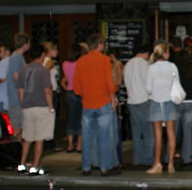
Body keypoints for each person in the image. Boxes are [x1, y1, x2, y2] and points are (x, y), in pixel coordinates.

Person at [73, 33, 120, 177]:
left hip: (87, 104)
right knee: (105, 137)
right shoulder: (105, 60)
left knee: (87, 137)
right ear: (99, 44)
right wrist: (113, 96)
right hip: (103, 103)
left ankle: (86, 167)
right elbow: (109, 83)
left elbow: (76, 87)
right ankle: (105, 167)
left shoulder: (81, 61)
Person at [15, 42, 54, 176]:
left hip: (27, 107)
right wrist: (51, 107)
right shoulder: (43, 70)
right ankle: (35, 166)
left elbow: (20, 91)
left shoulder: (23, 70)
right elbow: (47, 90)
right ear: (42, 55)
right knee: (39, 138)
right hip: (41, 106)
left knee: (27, 137)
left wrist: (23, 105)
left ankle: (21, 164)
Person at [146, 43, 179, 174]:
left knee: (158, 136)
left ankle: (157, 163)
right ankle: (170, 164)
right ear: (165, 54)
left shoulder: (151, 68)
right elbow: (177, 83)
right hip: (170, 102)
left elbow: (148, 88)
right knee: (171, 133)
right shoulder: (172, 66)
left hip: (155, 102)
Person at [123, 43, 153, 166]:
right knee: (148, 133)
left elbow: (125, 83)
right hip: (144, 101)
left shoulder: (128, 64)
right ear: (146, 53)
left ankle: (137, 159)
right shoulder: (145, 65)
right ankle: (149, 159)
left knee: (136, 133)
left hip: (131, 101)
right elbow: (149, 84)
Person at [176, 52, 192, 165]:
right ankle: (187, 157)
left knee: (173, 131)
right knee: (187, 130)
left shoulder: (175, 70)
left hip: (178, 102)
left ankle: (168, 156)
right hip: (190, 102)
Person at [7, 33, 30, 140]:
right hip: (17, 99)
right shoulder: (16, 58)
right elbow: (17, 77)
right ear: (25, 44)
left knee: (21, 128)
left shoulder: (17, 57)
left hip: (17, 98)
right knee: (17, 128)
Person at [61, 44, 83, 154]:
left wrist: (68, 88)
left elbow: (63, 82)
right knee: (80, 119)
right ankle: (79, 144)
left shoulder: (65, 64)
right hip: (79, 93)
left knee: (70, 119)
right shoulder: (80, 63)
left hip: (69, 93)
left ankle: (70, 144)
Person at [0, 44, 11, 113]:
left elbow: (2, 79)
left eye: (1, 51)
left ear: (7, 52)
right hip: (9, 98)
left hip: (1, 98)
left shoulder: (3, 62)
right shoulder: (13, 62)